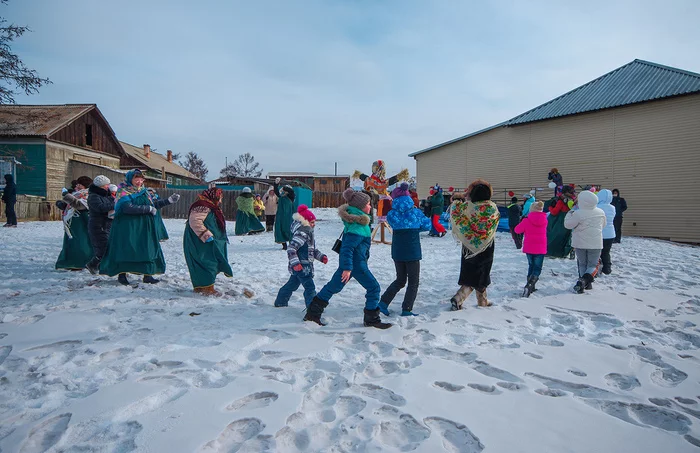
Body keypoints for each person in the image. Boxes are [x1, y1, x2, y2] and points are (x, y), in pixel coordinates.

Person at [305, 189, 391, 329]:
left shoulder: (357, 222)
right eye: (368, 204)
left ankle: (312, 314)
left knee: (333, 287)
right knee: (374, 288)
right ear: (360, 207)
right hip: (356, 266)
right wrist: (347, 268)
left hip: (351, 265)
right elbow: (347, 249)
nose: (370, 207)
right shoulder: (358, 226)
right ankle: (371, 319)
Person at [99, 169, 181, 285]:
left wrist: (168, 201)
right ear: (130, 179)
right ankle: (122, 274)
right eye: (136, 179)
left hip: (144, 227)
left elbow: (153, 205)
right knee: (126, 248)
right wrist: (146, 209)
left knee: (147, 248)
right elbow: (126, 207)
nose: (139, 181)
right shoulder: (123, 191)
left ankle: (148, 274)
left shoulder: (144, 191)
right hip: (127, 226)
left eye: (141, 179)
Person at [378, 183, 432, 317]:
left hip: (397, 251)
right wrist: (416, 228)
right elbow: (428, 225)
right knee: (413, 282)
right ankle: (407, 308)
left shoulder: (392, 214)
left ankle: (383, 303)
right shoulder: (415, 213)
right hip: (412, 251)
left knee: (400, 280)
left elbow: (392, 223)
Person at [449, 179, 500, 310]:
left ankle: (481, 301)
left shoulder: (467, 208)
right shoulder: (492, 208)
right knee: (483, 273)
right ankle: (459, 298)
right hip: (486, 245)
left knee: (471, 271)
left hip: (468, 245)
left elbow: (455, 210)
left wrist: (457, 199)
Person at [274, 205, 328, 307]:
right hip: (302, 266)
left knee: (292, 285)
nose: (314, 225)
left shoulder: (308, 233)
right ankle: (312, 309)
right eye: (312, 222)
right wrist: (296, 263)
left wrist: (321, 257)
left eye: (314, 222)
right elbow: (291, 249)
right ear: (305, 222)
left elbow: (311, 250)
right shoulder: (302, 233)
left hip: (304, 266)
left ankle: (280, 301)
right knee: (310, 287)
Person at [183, 187, 233, 296]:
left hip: (205, 241)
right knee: (207, 262)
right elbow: (195, 221)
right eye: (220, 197)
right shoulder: (202, 206)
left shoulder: (210, 205)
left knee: (209, 261)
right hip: (199, 240)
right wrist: (205, 235)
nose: (220, 200)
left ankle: (203, 287)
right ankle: (207, 288)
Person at [564, 190, 606, 293]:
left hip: (580, 243)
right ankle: (586, 282)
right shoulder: (601, 212)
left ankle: (583, 282)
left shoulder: (577, 213)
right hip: (596, 243)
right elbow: (603, 225)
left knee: (582, 263)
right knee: (592, 265)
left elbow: (568, 225)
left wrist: (569, 213)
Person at [55, 176, 93, 270]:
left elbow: (79, 205)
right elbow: (71, 205)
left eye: (80, 184)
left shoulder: (88, 194)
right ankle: (69, 261)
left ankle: (81, 262)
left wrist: (66, 196)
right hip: (73, 222)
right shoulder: (77, 194)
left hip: (83, 221)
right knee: (71, 242)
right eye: (77, 184)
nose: (77, 186)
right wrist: (63, 205)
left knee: (82, 242)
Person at [515, 201, 548, 297]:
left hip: (529, 247)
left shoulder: (526, 220)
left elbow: (517, 230)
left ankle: (529, 285)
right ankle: (531, 284)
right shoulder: (545, 219)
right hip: (541, 247)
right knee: (537, 267)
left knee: (531, 265)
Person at [85, 175, 115, 274]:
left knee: (108, 247)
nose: (108, 186)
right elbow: (100, 208)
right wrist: (116, 205)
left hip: (107, 224)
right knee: (103, 248)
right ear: (100, 186)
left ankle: (102, 266)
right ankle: (92, 264)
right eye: (106, 185)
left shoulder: (106, 195)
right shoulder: (93, 196)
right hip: (98, 225)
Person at [546, 185, 576, 258]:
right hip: (569, 219)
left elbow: (554, 212)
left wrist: (550, 207)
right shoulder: (573, 200)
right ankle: (566, 252)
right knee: (567, 237)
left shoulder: (561, 201)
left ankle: (554, 253)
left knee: (554, 236)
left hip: (559, 222)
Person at [597, 189, 617, 275]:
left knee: (597, 252)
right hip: (611, 233)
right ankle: (607, 268)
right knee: (606, 252)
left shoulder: (597, 207)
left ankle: (596, 268)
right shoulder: (612, 207)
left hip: (600, 232)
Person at [274, 179, 295, 250]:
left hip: (288, 216)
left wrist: (283, 187)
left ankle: (291, 244)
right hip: (280, 215)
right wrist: (276, 184)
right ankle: (284, 245)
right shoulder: (281, 197)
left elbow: (291, 191)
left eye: (285, 191)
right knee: (280, 229)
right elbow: (276, 192)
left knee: (288, 229)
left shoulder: (291, 196)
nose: (284, 192)